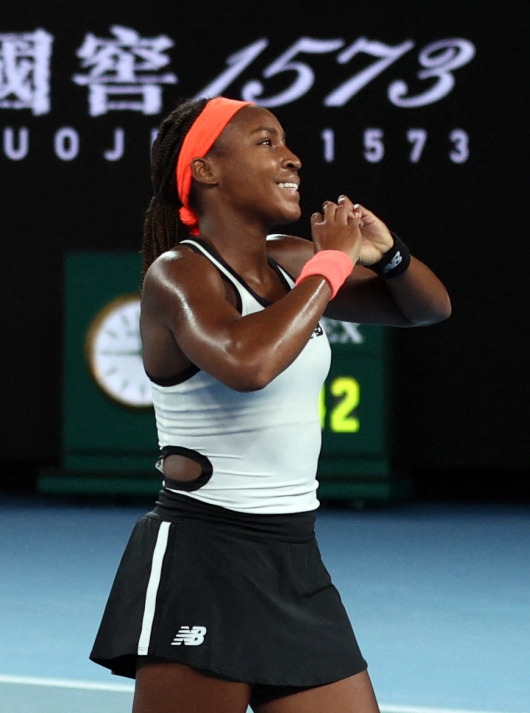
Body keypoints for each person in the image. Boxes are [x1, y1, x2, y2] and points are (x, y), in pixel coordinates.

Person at [89, 96, 451, 713]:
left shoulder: (291, 263)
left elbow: (425, 308)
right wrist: (333, 263)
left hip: (293, 556)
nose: (292, 158)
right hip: (203, 560)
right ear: (206, 170)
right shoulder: (180, 275)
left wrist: (388, 255)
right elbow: (247, 364)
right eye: (266, 143)